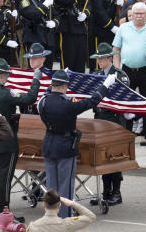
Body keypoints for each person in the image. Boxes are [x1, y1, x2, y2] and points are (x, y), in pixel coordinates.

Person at [36, 70, 105, 218]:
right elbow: (92, 101)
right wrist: (105, 86)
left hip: (49, 144)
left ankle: (50, 215)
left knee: (51, 186)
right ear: (65, 86)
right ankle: (64, 216)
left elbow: (49, 92)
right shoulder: (67, 104)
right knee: (65, 185)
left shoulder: (43, 102)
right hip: (65, 146)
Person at [0, 58, 42, 211]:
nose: (8, 78)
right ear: (2, 76)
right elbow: (30, 98)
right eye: (7, 75)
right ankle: (4, 210)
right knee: (5, 178)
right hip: (7, 141)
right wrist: (36, 79)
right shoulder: (7, 94)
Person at [90, 43, 130, 206]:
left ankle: (116, 192)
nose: (99, 61)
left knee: (114, 156)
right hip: (100, 119)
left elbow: (124, 97)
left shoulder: (120, 75)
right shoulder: (96, 74)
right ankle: (106, 191)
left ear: (110, 58)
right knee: (103, 156)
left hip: (114, 120)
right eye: (98, 58)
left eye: (102, 58)